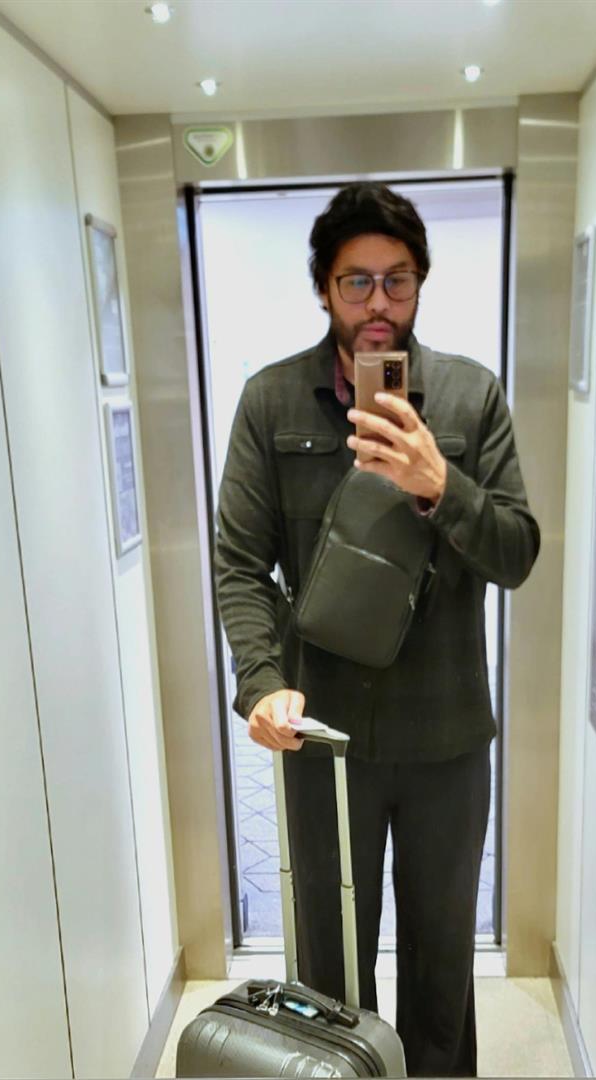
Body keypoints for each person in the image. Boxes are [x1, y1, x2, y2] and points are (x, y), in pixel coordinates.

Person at [214, 182, 539, 1076]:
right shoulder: (270, 401)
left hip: (446, 735)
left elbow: (516, 552)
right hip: (322, 735)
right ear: (323, 288)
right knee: (329, 968)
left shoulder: (469, 397)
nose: (377, 304)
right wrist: (259, 681)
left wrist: (441, 482)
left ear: (420, 282)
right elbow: (239, 564)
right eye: (355, 282)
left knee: (442, 964)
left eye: (396, 280)